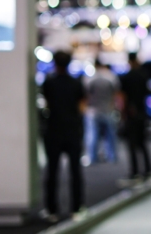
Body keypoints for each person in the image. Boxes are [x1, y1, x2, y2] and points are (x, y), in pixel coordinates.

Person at [41, 51, 87, 223]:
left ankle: (52, 209)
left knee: (52, 171)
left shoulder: (49, 83)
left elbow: (46, 104)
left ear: (54, 63)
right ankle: (77, 207)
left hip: (53, 130)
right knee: (75, 170)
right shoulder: (76, 83)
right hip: (72, 131)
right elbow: (82, 107)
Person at [119, 53, 151, 182]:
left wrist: (123, 113)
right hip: (142, 112)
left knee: (132, 145)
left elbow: (123, 97)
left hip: (131, 114)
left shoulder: (126, 77)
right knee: (143, 142)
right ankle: (148, 170)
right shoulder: (144, 75)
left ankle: (135, 172)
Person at [84, 59, 119, 164]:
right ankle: (112, 156)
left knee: (92, 135)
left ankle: (92, 157)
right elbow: (116, 93)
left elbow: (86, 94)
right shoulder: (111, 77)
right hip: (108, 109)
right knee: (110, 135)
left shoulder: (90, 78)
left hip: (93, 110)